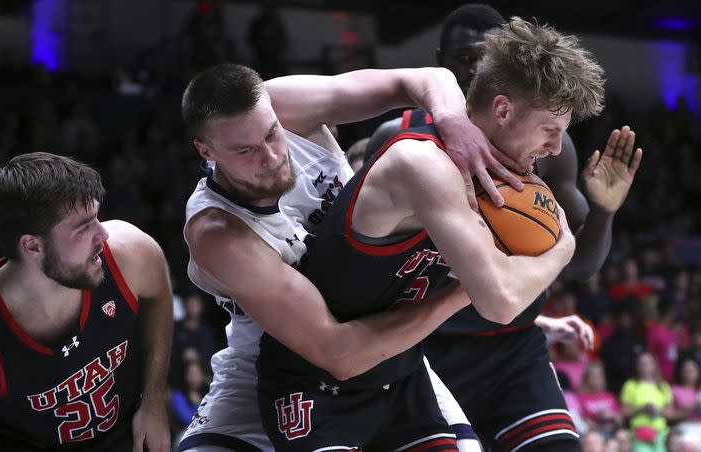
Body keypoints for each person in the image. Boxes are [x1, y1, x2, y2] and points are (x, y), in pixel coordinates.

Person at [256, 17, 606, 451]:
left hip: (398, 372)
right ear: (501, 111)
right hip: (316, 378)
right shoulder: (423, 163)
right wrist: (563, 247)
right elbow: (499, 300)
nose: (555, 148)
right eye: (549, 130)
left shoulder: (483, 171)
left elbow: (503, 300)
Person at [179, 63, 515, 451]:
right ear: (207, 151)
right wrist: (473, 285)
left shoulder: (283, 105)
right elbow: (339, 352)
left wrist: (455, 122)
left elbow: (425, 77)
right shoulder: (219, 232)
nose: (271, 156)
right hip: (285, 362)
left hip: (387, 343)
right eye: (245, 150)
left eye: (271, 134)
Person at [370, 5, 641, 450]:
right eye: (464, 55)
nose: (476, 65)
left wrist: (603, 212)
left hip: (511, 348)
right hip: (423, 347)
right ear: (442, 61)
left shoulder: (547, 148)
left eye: (488, 55)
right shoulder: (399, 139)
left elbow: (580, 268)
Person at [0, 152, 173, 452]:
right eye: (83, 227)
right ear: (33, 245)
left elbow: (158, 292)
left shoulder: (127, 252)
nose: (103, 232)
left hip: (118, 437)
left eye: (97, 216)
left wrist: (154, 399)